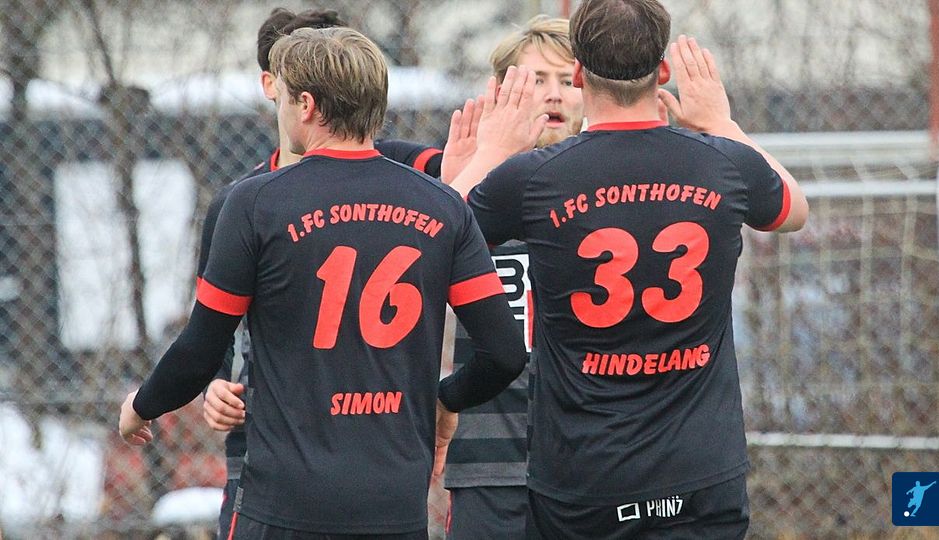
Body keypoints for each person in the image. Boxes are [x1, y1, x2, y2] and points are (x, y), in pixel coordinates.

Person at [120, 26, 528, 538]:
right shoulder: (441, 205)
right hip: (394, 503)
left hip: (283, 502)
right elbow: (504, 353)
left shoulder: (255, 203)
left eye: (285, 97)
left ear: (307, 106)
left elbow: (201, 349)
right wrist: (446, 400)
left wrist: (141, 406)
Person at [447, 0, 809, 536]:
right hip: (701, 472)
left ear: (578, 72)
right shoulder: (722, 161)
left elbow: (431, 238)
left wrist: (490, 151)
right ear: (662, 71)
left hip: (584, 477)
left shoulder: (535, 177)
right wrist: (722, 123)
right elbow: (794, 210)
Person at [195, 8, 348, 538]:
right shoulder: (241, 204)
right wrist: (215, 384)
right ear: (273, 85)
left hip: (365, 437)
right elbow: (211, 328)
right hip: (266, 447)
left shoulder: (392, 183)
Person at [440, 15, 583, 540]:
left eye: (567, 80)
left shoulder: (601, 187)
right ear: (501, 93)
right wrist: (463, 174)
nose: (554, 94)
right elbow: (416, 267)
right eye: (536, 80)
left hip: (587, 462)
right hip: (489, 463)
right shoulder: (473, 186)